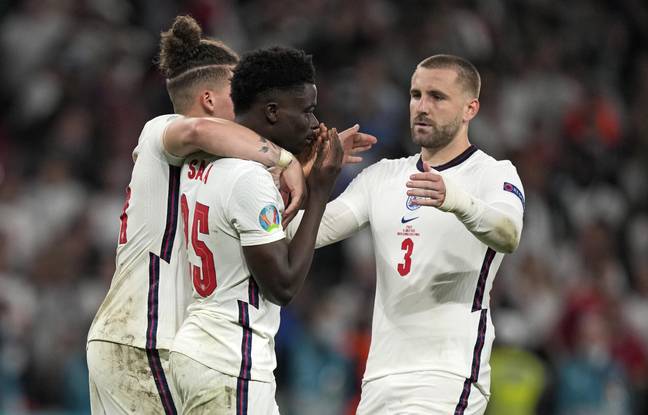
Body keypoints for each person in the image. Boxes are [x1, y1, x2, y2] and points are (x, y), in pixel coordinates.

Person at [86, 16, 310, 415]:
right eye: (236, 94)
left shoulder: (217, 168)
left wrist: (304, 171)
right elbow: (196, 133)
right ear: (208, 100)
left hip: (145, 340)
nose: (244, 105)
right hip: (146, 338)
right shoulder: (163, 131)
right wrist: (283, 157)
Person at [287, 54, 525, 414]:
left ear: (470, 108)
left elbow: (508, 233)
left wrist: (456, 199)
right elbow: (300, 233)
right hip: (379, 380)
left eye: (437, 97)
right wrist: (299, 173)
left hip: (446, 375)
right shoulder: (382, 177)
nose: (422, 107)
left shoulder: (492, 174)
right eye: (416, 95)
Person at [168, 46, 344, 414]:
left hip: (200, 348)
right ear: (273, 111)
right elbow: (283, 285)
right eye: (308, 111)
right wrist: (319, 193)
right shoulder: (251, 179)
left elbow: (253, 239)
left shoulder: (202, 162)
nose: (315, 124)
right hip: (231, 358)